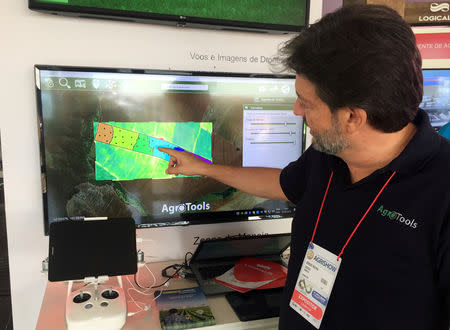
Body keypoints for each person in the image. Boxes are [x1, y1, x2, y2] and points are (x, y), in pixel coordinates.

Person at [159, 5, 449, 330]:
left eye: (306, 102)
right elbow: (282, 184)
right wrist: (203, 168)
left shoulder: (442, 191)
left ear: (352, 117)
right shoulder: (329, 152)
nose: (297, 110)